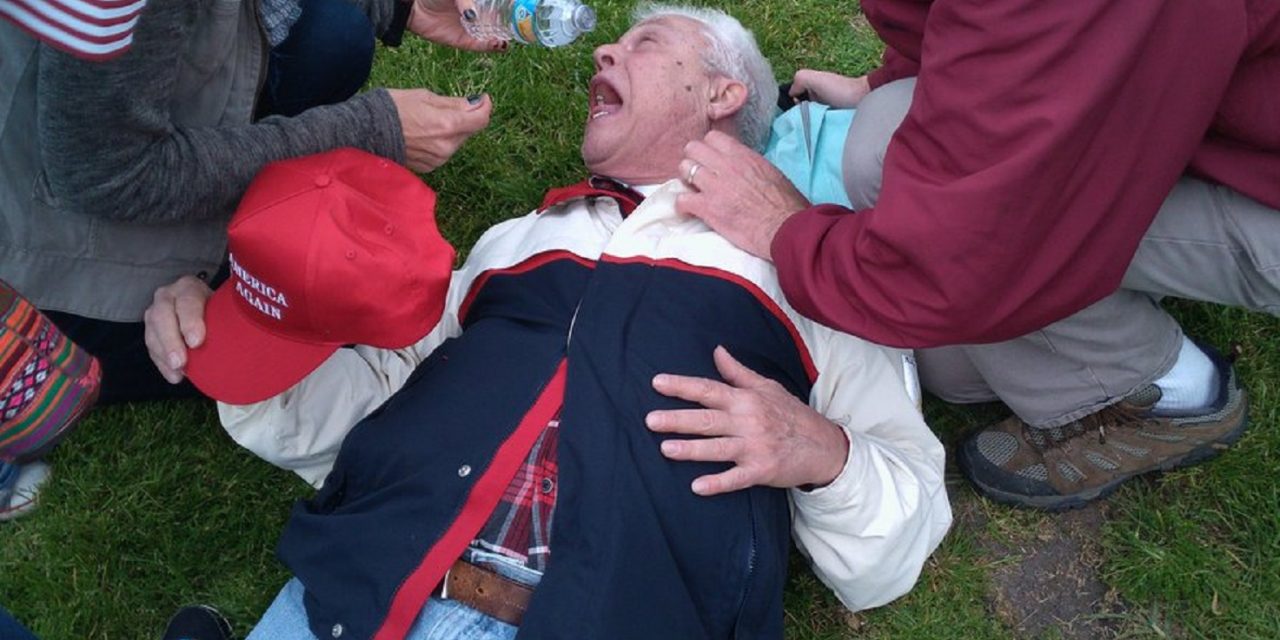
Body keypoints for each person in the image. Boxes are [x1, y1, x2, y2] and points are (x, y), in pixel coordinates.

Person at [143, 5, 952, 638]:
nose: (603, 53)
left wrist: (823, 453)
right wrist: (243, 330)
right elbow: (353, 423)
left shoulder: (805, 265)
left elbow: (899, 541)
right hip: (357, 600)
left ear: (723, 94)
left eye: (645, 43)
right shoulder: (512, 243)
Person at [672, 0, 1277, 510]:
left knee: (917, 179)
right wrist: (884, 81)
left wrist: (784, 228)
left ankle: (1163, 395)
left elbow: (964, 254)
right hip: (1211, 103)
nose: (606, 54)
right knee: (947, 365)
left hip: (1257, 184)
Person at [0, 0, 500, 406]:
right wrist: (366, 132)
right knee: (301, 305)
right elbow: (107, 175)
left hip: (126, 121)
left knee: (333, 35)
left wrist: (398, 5)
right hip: (51, 232)